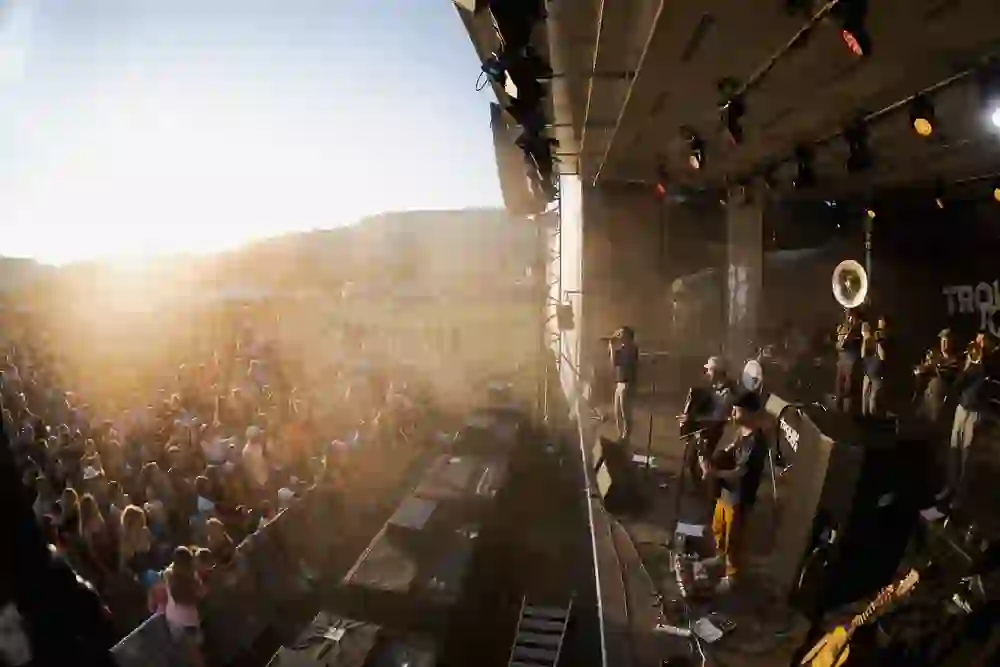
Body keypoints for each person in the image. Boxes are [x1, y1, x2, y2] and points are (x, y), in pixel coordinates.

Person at [702, 390, 766, 593]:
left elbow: (740, 473)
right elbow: (731, 448)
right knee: (718, 528)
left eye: (736, 410)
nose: (732, 413)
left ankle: (732, 577)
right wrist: (716, 456)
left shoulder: (756, 441)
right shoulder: (742, 432)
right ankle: (720, 558)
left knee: (733, 539)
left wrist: (714, 473)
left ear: (748, 412)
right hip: (727, 493)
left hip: (739, 496)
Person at [942, 331, 992, 506]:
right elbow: (959, 383)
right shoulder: (969, 361)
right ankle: (950, 486)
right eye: (978, 339)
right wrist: (967, 364)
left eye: (983, 340)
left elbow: (986, 383)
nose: (979, 342)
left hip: (976, 412)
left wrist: (978, 362)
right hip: (962, 408)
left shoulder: (991, 363)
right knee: (953, 449)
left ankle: (961, 495)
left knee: (967, 455)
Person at [163, 546, 207, 667]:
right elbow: (201, 594)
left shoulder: (168, 575)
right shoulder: (190, 576)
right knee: (196, 658)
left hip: (174, 621)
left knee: (188, 658)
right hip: (188, 621)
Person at [608, 327, 638, 443]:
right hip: (619, 383)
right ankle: (620, 436)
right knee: (617, 413)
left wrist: (613, 344)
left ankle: (626, 438)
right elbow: (614, 363)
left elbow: (618, 362)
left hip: (627, 383)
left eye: (621, 333)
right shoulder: (622, 348)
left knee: (625, 413)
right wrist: (611, 346)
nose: (619, 335)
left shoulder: (631, 349)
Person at [834, 310, 862, 412]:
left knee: (848, 387)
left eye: (851, 315)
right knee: (839, 385)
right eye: (847, 315)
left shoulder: (858, 328)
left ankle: (847, 411)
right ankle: (838, 408)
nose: (849, 317)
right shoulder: (842, 327)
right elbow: (839, 345)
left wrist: (851, 334)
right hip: (841, 360)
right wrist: (843, 338)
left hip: (851, 361)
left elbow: (852, 344)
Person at [861, 318, 889, 417]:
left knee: (873, 398)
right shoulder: (871, 339)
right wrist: (865, 338)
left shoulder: (885, 338)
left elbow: (882, 357)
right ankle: (865, 418)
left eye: (882, 323)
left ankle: (873, 419)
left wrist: (878, 343)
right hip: (869, 370)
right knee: (865, 396)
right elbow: (863, 355)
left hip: (877, 372)